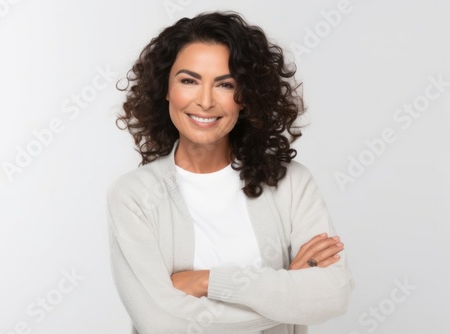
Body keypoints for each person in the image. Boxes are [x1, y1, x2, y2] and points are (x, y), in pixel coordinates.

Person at [107, 11, 353, 334]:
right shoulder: (133, 197)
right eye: (189, 80)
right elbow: (162, 323)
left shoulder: (292, 184)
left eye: (225, 84)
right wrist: (288, 293)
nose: (205, 101)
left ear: (245, 97)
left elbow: (333, 295)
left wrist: (207, 282)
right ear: (165, 88)